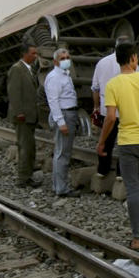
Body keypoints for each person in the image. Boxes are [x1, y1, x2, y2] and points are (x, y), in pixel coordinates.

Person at [96, 42, 139, 251]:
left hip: (128, 142)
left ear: (117, 60)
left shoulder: (113, 85)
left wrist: (102, 141)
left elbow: (111, 118)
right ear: (133, 58)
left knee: (132, 188)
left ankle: (136, 238)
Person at [91, 35, 134, 177]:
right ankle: (121, 174)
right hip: (126, 110)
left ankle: (102, 171)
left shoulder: (102, 63)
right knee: (124, 143)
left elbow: (95, 88)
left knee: (106, 141)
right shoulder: (132, 63)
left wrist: (96, 106)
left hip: (106, 109)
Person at [44, 47, 81, 198]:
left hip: (68, 113)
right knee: (62, 154)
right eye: (62, 58)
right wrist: (61, 122)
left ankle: (58, 186)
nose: (66, 60)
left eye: (67, 57)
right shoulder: (55, 77)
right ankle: (62, 188)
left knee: (61, 152)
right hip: (64, 115)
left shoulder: (65, 75)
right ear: (55, 61)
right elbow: (53, 101)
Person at [7, 43, 41, 188]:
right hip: (23, 116)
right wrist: (19, 112)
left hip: (30, 115)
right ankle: (22, 179)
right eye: (33, 53)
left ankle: (27, 176)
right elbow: (14, 93)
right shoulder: (17, 69)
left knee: (29, 147)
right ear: (24, 54)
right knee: (25, 147)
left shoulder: (30, 69)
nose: (35, 56)